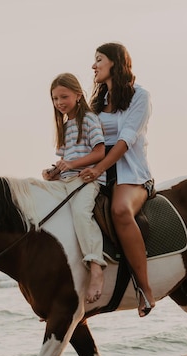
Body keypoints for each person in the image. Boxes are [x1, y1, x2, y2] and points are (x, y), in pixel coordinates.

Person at [78, 42, 156, 317]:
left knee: (120, 210)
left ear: (115, 63)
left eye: (99, 59)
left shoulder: (140, 96)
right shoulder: (96, 103)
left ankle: (145, 289)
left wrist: (99, 170)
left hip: (130, 174)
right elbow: (85, 140)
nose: (93, 65)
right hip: (98, 170)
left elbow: (126, 140)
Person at [42, 72, 107, 303]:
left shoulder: (88, 119)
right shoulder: (65, 126)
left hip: (87, 179)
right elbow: (65, 160)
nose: (59, 103)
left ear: (78, 95)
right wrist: (54, 171)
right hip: (66, 180)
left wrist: (71, 164)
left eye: (64, 96)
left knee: (81, 213)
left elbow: (100, 152)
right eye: (55, 99)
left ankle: (96, 267)